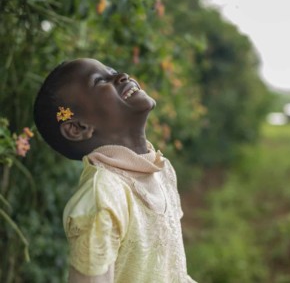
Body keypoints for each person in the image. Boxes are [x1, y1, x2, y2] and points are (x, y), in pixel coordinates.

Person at [33, 58, 196, 283]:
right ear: (77, 128)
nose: (121, 75)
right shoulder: (103, 197)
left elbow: (172, 271)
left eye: (111, 70)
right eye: (100, 81)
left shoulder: (162, 171)